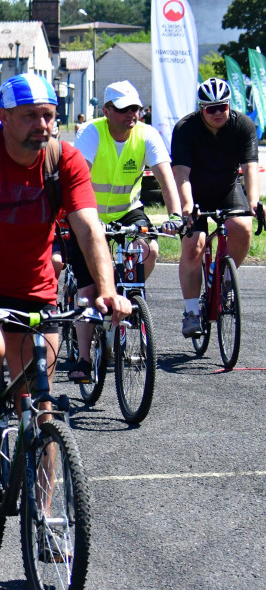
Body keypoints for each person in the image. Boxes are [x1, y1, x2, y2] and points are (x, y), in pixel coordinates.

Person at [0, 73, 130, 472]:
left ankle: (47, 526)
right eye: (30, 117)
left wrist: (107, 290)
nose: (42, 126)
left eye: (48, 116)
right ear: (4, 116)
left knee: (42, 410)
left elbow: (89, 229)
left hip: (35, 288)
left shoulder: (66, 161)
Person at [69, 80, 183, 381]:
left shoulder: (147, 135)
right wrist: (87, 222)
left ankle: (126, 291)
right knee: (88, 289)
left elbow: (165, 177)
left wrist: (175, 214)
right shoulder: (91, 133)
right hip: (88, 212)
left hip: (127, 209)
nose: (131, 115)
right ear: (106, 110)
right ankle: (82, 358)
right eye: (123, 110)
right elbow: (77, 178)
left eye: (135, 108)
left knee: (151, 248)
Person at [172, 77, 259, 338]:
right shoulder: (186, 128)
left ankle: (224, 279)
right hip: (195, 191)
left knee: (242, 225)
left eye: (223, 106)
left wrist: (254, 202)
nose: (219, 112)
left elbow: (251, 167)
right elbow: (182, 174)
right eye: (211, 109)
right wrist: (187, 206)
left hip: (226, 188)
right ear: (201, 109)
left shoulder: (243, 125)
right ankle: (191, 312)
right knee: (194, 244)